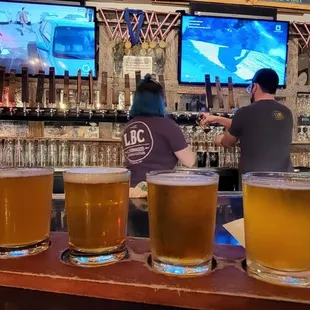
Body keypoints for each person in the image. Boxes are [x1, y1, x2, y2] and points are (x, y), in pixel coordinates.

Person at [201, 68, 293, 174]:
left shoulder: (245, 112)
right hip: (283, 179)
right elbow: (255, 125)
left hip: (255, 181)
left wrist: (219, 139)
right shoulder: (287, 113)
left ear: (255, 87)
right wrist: (217, 118)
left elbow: (228, 142)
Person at [122, 74, 196, 187]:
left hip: (131, 189)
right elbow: (189, 162)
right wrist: (192, 150)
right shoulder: (167, 125)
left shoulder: (128, 127)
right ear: (160, 100)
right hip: (158, 189)